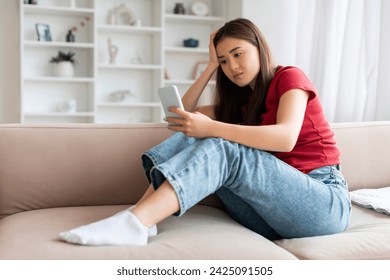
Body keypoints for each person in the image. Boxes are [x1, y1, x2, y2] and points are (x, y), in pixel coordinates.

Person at [59, 18, 351, 246]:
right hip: (270, 216)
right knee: (196, 132)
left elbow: (285, 138)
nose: (233, 66)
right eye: (225, 61)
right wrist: (211, 65)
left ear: (259, 47)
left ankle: (135, 222)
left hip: (322, 203)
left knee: (221, 142)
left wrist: (213, 128)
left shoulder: (290, 77)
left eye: (238, 54)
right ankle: (142, 217)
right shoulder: (242, 103)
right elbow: (181, 115)